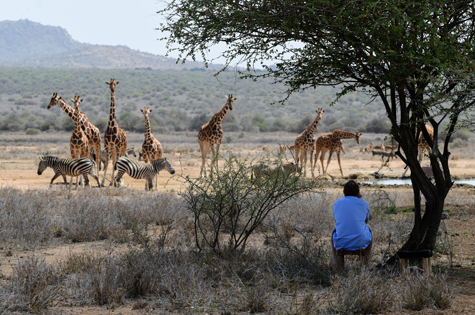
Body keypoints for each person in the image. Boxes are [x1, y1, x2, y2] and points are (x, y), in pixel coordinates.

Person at [331, 180, 372, 270]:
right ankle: (366, 262)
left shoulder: (336, 203)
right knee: (369, 229)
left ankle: (336, 263)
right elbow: (365, 223)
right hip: (360, 242)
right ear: (358, 193)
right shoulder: (364, 204)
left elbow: (337, 221)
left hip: (341, 243)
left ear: (344, 192)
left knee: (334, 230)